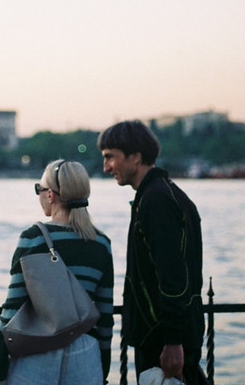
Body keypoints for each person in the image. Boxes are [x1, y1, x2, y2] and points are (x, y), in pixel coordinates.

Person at [97, 120, 206, 384]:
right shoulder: (160, 195)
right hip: (162, 335)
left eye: (110, 157)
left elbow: (173, 276)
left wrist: (172, 341)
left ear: (135, 157)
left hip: (161, 340)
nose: (106, 167)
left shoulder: (156, 200)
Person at [0, 160, 114, 385]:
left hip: (37, 352)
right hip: (86, 354)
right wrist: (102, 364)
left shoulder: (33, 237)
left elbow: (12, 309)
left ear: (50, 195)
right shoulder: (102, 244)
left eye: (39, 189)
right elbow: (105, 314)